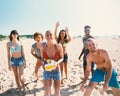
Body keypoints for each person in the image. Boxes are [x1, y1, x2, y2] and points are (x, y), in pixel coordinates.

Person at [42, 30, 63, 96]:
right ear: (45, 37)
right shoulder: (43, 48)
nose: (49, 36)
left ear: (53, 36)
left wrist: (57, 63)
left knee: (57, 93)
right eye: (47, 35)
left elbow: (62, 58)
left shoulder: (58, 46)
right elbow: (43, 59)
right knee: (47, 93)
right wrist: (43, 63)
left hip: (56, 71)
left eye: (50, 34)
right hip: (47, 71)